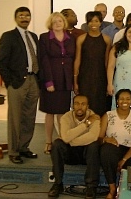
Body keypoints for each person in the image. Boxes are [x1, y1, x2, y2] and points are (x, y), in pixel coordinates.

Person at [0, 7, 39, 164]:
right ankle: (14, 151)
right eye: (21, 15)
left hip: (33, 81)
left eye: (27, 15)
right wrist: (10, 82)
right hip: (17, 82)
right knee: (15, 118)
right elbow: (1, 62)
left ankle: (23, 147)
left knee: (29, 117)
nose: (24, 18)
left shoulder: (33, 37)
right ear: (16, 18)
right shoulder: (8, 36)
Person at [48, 95, 101, 199]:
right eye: (77, 104)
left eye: (83, 104)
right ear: (73, 106)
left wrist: (71, 140)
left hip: (87, 155)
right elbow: (65, 138)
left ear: (88, 106)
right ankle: (58, 184)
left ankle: (91, 186)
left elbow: (93, 137)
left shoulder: (94, 117)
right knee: (57, 144)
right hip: (70, 154)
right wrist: (86, 124)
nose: (80, 107)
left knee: (94, 145)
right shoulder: (66, 117)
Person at [39, 12, 76, 154]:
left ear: (64, 22)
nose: (58, 23)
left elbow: (72, 59)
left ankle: (61, 140)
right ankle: (48, 141)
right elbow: (43, 60)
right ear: (51, 23)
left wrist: (72, 81)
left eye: (60, 21)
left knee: (63, 112)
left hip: (66, 79)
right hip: (51, 79)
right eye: (55, 21)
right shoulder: (44, 38)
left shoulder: (70, 38)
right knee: (50, 112)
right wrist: (48, 81)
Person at [99, 89, 131, 199]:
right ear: (117, 101)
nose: (125, 101)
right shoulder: (108, 115)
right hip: (114, 149)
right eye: (122, 99)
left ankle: (126, 194)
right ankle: (112, 188)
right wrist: (106, 139)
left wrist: (124, 159)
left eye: (128, 99)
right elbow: (99, 137)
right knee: (106, 151)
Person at [74, 11, 111, 116]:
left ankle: (99, 131)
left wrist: (109, 82)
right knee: (85, 105)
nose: (93, 24)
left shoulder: (107, 40)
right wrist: (75, 81)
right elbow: (77, 60)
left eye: (96, 21)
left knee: (100, 106)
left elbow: (107, 62)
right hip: (84, 78)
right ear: (87, 23)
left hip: (101, 78)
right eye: (91, 21)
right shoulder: (81, 39)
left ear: (100, 23)